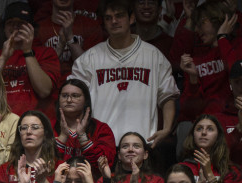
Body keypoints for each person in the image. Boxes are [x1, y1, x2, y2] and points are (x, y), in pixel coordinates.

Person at [69, 0, 177, 147]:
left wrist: (167, 128)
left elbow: (168, 95)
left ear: (131, 18)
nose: (114, 21)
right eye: (108, 18)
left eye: (119, 16)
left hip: (142, 144)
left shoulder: (153, 56)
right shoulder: (89, 59)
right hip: (101, 145)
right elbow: (72, 97)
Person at [0, 2, 60, 116]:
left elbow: (44, 91)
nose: (15, 27)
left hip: (35, 124)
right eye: (10, 23)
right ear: (4, 28)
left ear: (31, 27)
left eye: (21, 23)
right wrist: (3, 57)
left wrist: (27, 51)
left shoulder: (46, 53)